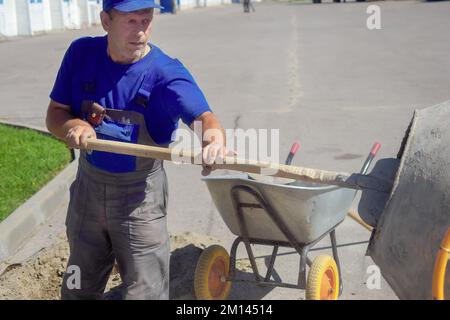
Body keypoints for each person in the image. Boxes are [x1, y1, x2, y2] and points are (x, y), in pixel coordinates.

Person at [46, 0, 231, 300]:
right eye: (131, 21)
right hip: (87, 194)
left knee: (146, 291)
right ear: (106, 21)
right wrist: (71, 127)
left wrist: (213, 141)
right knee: (78, 285)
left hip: (139, 201)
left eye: (146, 19)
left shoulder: (166, 73)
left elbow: (204, 119)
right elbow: (56, 112)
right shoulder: (81, 55)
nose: (141, 31)